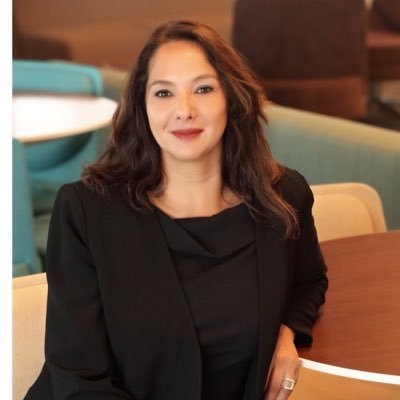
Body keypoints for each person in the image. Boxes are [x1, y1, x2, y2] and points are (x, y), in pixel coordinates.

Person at [25, 20, 328, 400]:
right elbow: (79, 377)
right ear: (143, 106)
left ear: (232, 98)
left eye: (203, 89)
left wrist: (286, 336)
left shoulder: (282, 198)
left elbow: (308, 281)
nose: (184, 110)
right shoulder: (86, 211)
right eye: (164, 93)